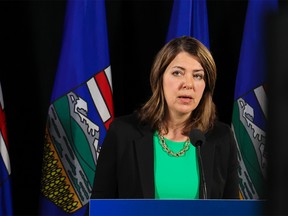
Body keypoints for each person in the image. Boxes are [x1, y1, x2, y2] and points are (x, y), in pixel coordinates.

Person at [90, 36, 239, 199]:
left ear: (206, 85)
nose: (188, 84)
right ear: (159, 78)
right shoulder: (122, 133)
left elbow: (231, 208)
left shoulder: (222, 137)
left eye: (198, 76)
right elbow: (100, 206)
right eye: (177, 73)